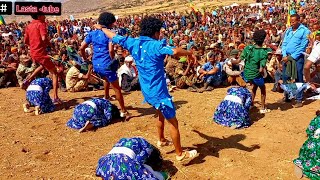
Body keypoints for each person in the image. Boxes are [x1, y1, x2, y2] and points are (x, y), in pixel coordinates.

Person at [94, 14, 198, 161]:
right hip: (159, 91)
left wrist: (102, 28)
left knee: (159, 113)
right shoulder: (156, 45)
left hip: (147, 90)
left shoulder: (133, 42)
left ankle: (161, 139)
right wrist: (190, 53)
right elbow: (175, 51)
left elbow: (114, 36)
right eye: (159, 32)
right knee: (173, 122)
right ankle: (180, 154)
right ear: (155, 32)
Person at [80, 12, 129, 118]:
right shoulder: (108, 34)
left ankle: (106, 96)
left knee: (106, 78)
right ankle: (124, 111)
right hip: (106, 64)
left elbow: (81, 47)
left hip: (96, 64)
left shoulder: (92, 34)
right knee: (117, 89)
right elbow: (111, 50)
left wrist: (85, 59)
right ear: (109, 23)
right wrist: (112, 60)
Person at [23, 15, 62, 104]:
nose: (45, 17)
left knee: (43, 65)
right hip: (41, 53)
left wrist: (34, 46)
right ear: (39, 16)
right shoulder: (41, 24)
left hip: (33, 53)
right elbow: (44, 38)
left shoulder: (29, 26)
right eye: (44, 15)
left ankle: (28, 79)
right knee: (55, 72)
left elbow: (26, 41)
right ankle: (55, 97)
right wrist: (47, 47)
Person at [96, 137, 169, 179]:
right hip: (122, 165)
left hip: (105, 164)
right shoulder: (147, 147)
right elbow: (138, 162)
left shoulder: (123, 140)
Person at [281, 14, 311, 107]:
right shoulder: (289, 30)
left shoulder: (305, 31)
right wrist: (285, 54)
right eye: (291, 21)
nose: (292, 23)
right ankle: (287, 96)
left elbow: (302, 46)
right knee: (285, 77)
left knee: (298, 77)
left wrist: (292, 57)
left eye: (293, 21)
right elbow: (284, 43)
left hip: (297, 58)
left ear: (299, 20)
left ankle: (299, 99)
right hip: (286, 57)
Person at [239, 29, 272, 114]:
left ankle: (251, 104)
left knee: (254, 87)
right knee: (263, 89)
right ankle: (263, 107)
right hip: (256, 74)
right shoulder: (263, 51)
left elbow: (239, 59)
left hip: (247, 74)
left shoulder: (248, 48)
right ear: (263, 39)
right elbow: (261, 68)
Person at [293, 110, 320, 179]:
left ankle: (304, 167)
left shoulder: (316, 119)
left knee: (309, 147)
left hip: (313, 147)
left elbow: (309, 131)